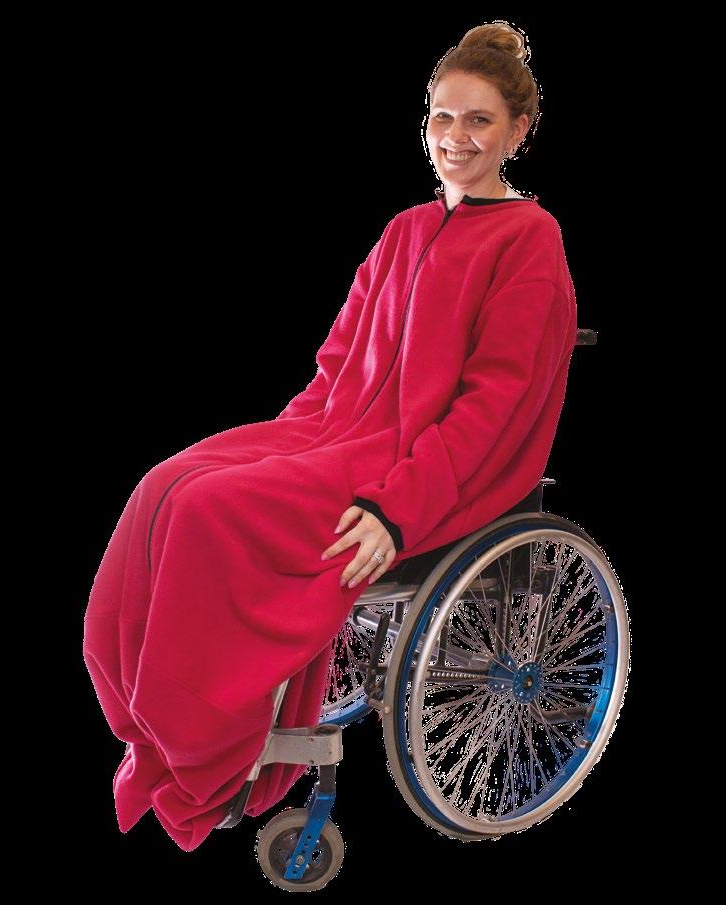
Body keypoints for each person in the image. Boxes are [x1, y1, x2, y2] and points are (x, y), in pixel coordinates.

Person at [83, 21, 577, 852]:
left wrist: (394, 510)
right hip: (337, 429)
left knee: (209, 509)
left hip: (429, 467)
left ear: (518, 130)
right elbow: (338, 362)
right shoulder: (404, 229)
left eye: (478, 121)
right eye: (442, 118)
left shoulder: (529, 238)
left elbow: (492, 404)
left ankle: (210, 742)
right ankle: (152, 725)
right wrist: (290, 443)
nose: (455, 138)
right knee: (164, 482)